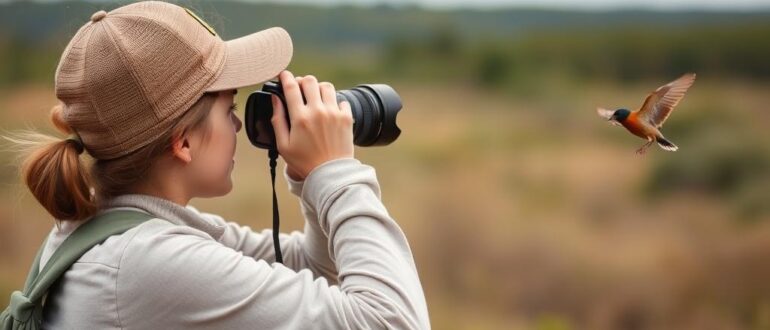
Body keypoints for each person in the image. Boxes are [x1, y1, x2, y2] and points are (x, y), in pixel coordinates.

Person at [4, 1, 429, 329]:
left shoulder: (110, 227)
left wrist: (309, 177)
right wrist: (336, 171)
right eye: (230, 108)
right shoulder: (148, 262)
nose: (239, 126)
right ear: (183, 141)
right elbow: (394, 322)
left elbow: (314, 267)